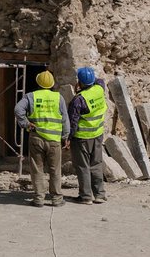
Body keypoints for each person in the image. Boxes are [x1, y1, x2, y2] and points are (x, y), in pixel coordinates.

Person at [14, 70, 68, 207]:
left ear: (38, 82)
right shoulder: (58, 98)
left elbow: (18, 110)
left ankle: (38, 198)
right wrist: (66, 136)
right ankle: (56, 199)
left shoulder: (30, 96)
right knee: (55, 170)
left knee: (37, 169)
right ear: (51, 84)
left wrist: (25, 123)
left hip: (36, 138)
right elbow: (65, 119)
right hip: (54, 140)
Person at [66, 66, 109, 204]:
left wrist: (68, 137)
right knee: (96, 164)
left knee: (83, 166)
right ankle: (100, 194)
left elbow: (73, 122)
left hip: (82, 138)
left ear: (80, 82)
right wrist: (88, 79)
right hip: (97, 134)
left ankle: (85, 196)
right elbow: (100, 80)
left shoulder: (78, 100)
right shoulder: (99, 89)